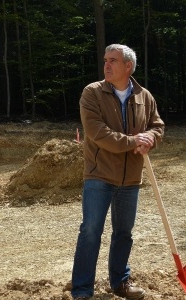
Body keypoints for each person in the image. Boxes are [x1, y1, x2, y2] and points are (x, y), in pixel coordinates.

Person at [71, 44, 165, 300]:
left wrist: (150, 138)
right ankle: (81, 291)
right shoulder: (92, 93)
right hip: (99, 174)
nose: (107, 65)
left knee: (124, 232)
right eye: (105, 60)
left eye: (113, 60)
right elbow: (97, 133)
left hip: (131, 178)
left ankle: (120, 282)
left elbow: (157, 126)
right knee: (90, 231)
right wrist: (135, 141)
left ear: (128, 67)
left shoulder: (144, 96)